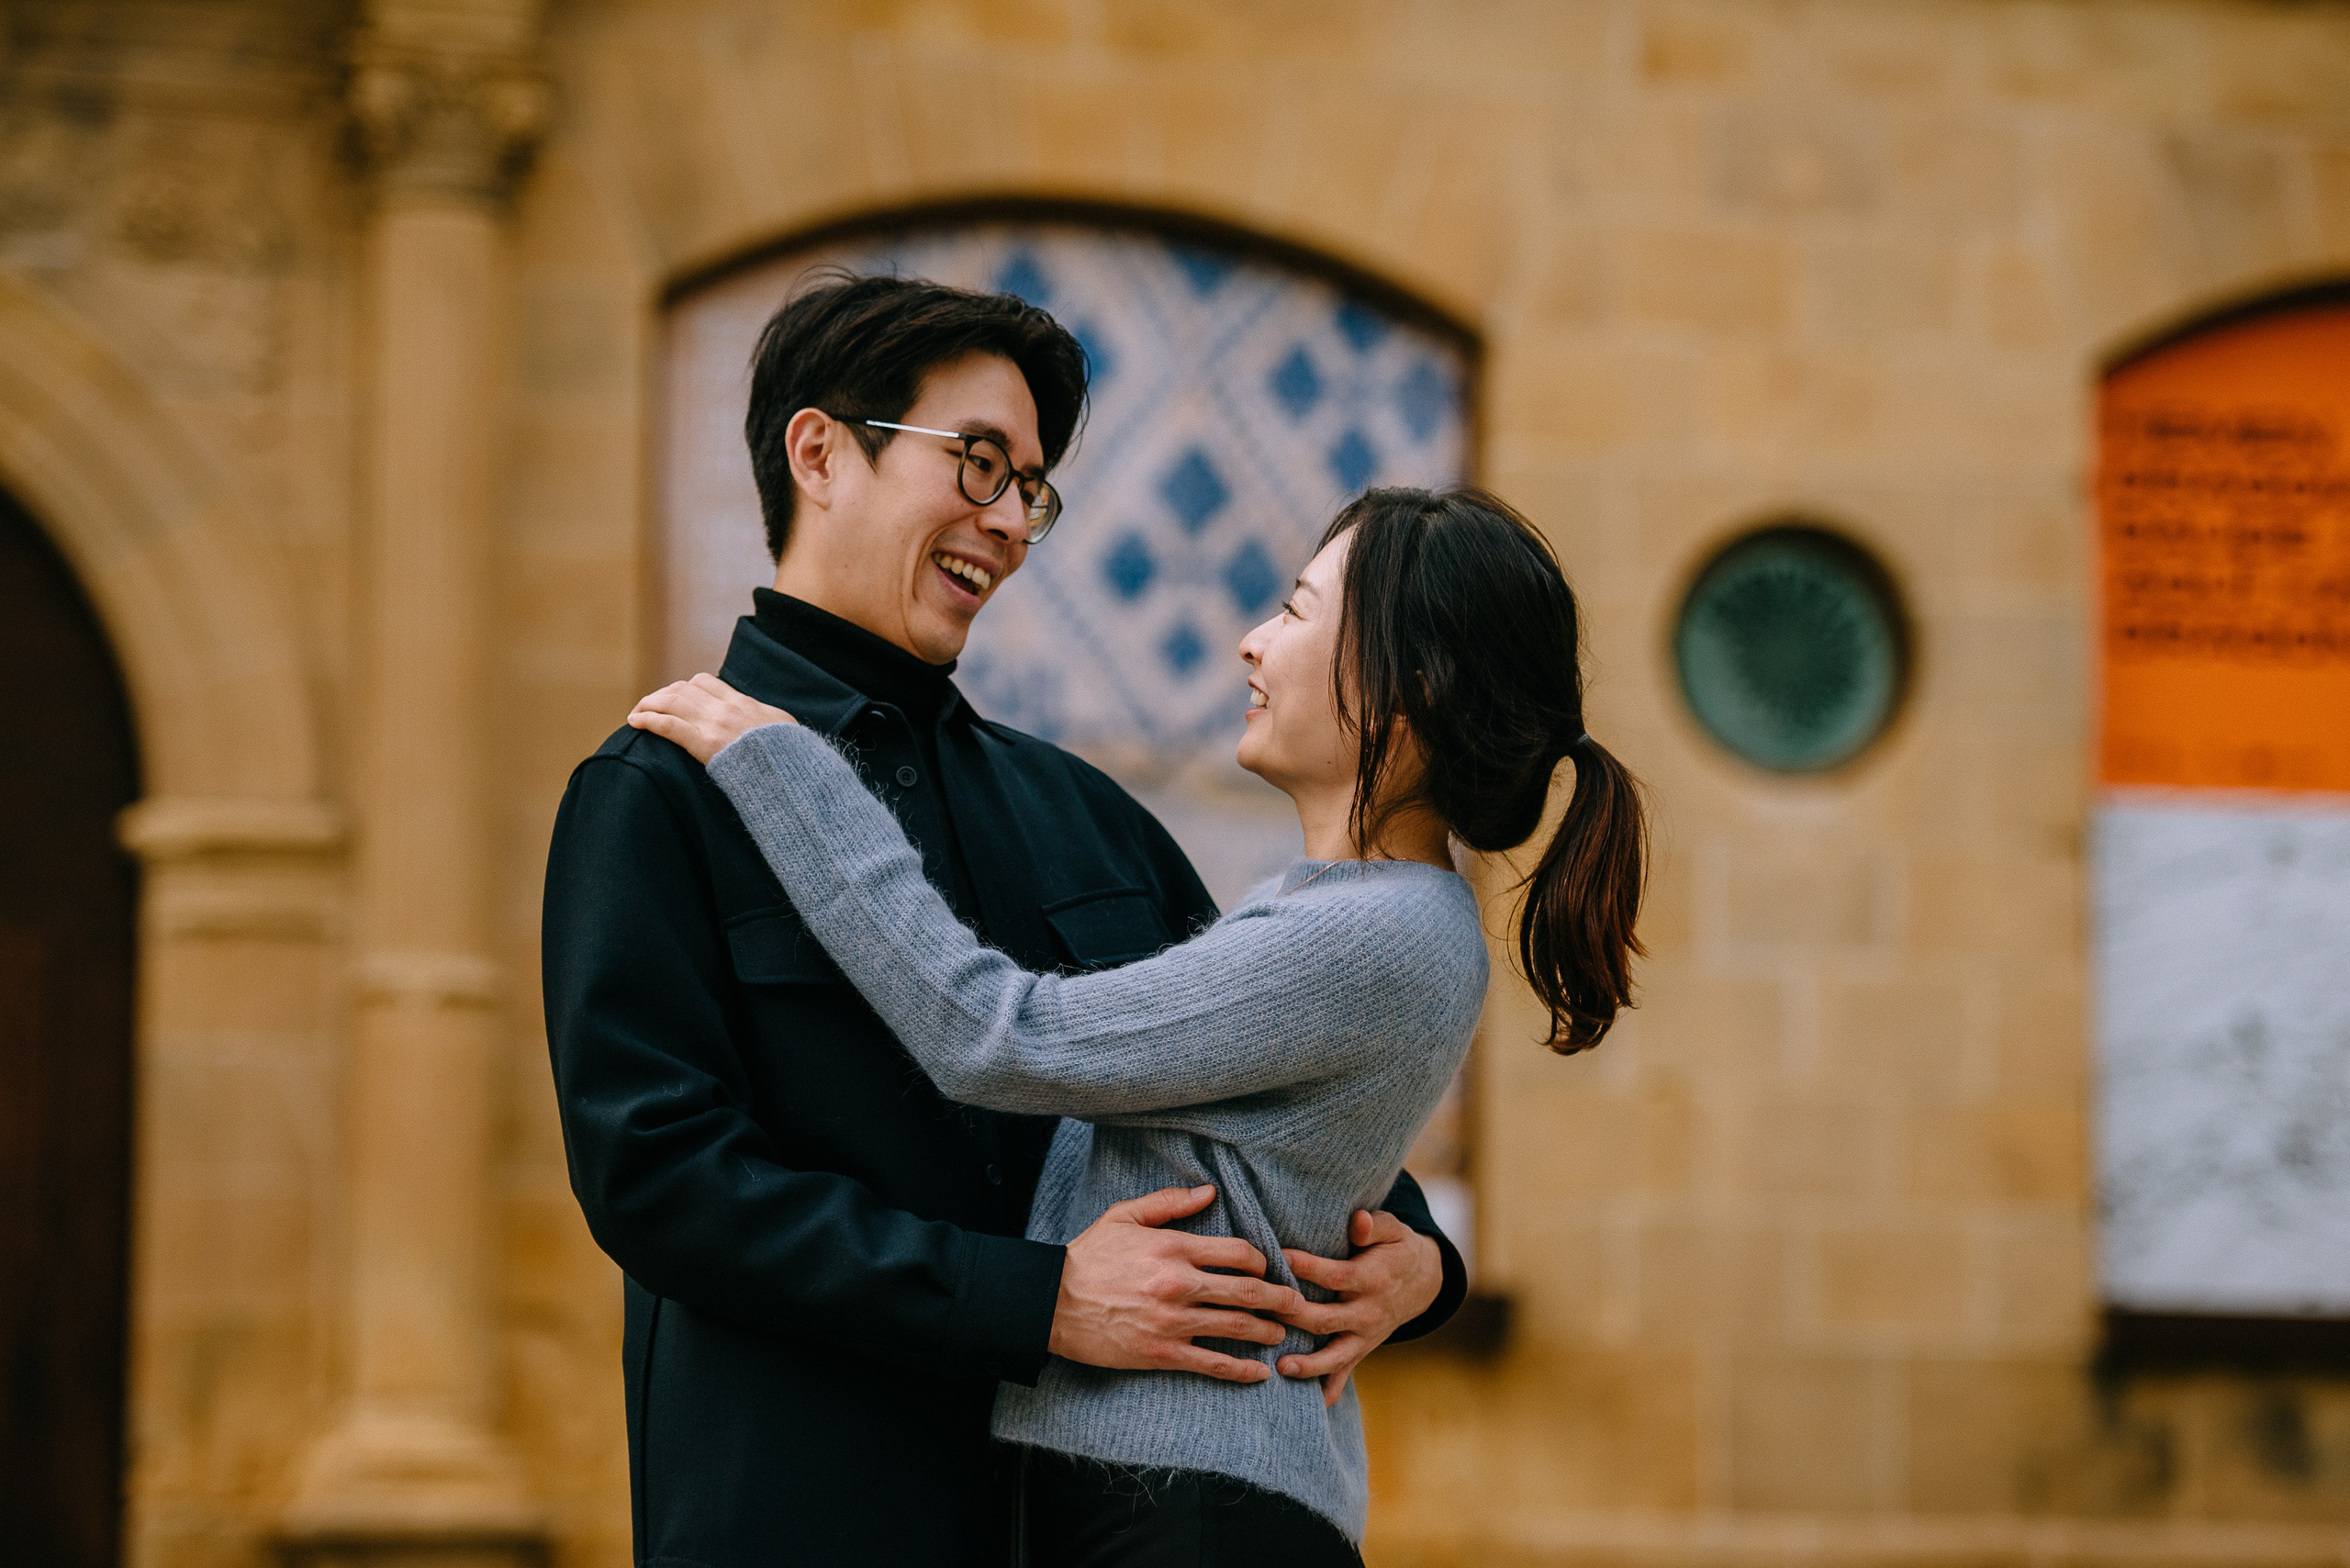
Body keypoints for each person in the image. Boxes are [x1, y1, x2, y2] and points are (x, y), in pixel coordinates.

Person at [540, 274, 1468, 1568]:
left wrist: (1417, 1262)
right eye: (978, 464)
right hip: (799, 1519)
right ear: (821, 452)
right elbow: (662, 1181)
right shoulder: (654, 798)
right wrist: (1034, 1304)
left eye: (1030, 487)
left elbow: (1268, 1090)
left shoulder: (1087, 816)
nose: (1012, 524)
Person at [627, 485, 1650, 1565]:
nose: (1253, 645)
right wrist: (1430, 1267)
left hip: (1188, 1512)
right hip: (1162, 1496)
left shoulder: (1370, 931)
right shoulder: (1343, 913)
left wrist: (787, 771)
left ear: (1412, 687)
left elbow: (997, 1034)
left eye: (1298, 614)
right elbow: (1269, 1146)